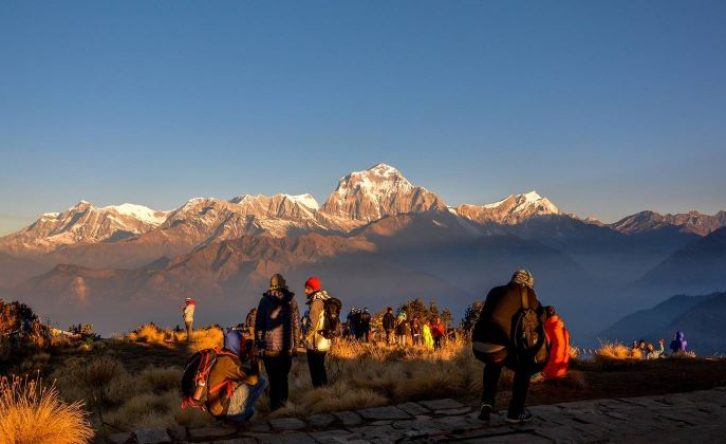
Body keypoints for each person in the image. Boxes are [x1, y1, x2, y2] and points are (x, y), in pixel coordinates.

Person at [472, 269, 545, 424]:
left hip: (478, 346)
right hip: (499, 348)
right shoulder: (526, 294)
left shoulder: (495, 291)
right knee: (524, 366)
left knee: (493, 364)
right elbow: (540, 315)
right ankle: (516, 412)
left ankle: (487, 403)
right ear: (527, 283)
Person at [255, 273, 300, 411]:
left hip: (270, 349)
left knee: (273, 380)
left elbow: (259, 325)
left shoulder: (265, 301)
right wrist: (295, 346)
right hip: (287, 348)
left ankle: (274, 408)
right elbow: (296, 325)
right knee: (283, 379)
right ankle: (284, 406)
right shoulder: (292, 301)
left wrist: (259, 345)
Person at [206, 329, 266, 422]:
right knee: (261, 381)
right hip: (219, 408)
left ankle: (236, 414)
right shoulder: (227, 362)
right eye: (241, 344)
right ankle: (236, 416)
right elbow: (253, 380)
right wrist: (254, 357)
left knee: (251, 411)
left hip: (216, 404)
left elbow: (240, 370)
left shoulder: (223, 356)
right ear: (235, 344)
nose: (243, 347)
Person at [302, 276, 331, 387]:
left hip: (315, 343)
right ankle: (324, 391)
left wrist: (305, 337)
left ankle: (319, 392)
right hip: (324, 341)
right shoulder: (324, 300)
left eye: (308, 288)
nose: (305, 291)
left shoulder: (316, 303)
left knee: (315, 370)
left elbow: (313, 324)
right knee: (320, 368)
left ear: (314, 289)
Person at [542, 306, 570, 380]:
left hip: (550, 371)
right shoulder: (562, 328)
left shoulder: (547, 329)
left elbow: (542, 349)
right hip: (562, 370)